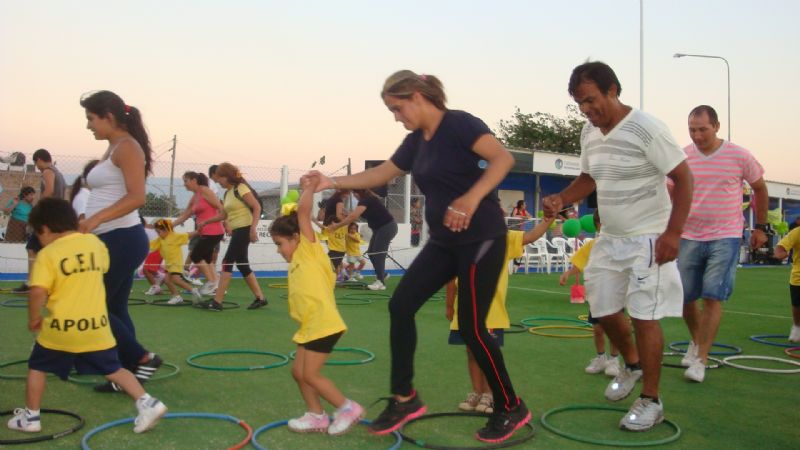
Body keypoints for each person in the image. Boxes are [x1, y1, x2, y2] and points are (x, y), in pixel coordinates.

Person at [303, 70, 528, 443]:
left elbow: (502, 160)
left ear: (419, 96)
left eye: (397, 107)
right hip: (444, 241)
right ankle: (404, 397)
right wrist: (332, 182)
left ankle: (510, 405)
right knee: (401, 304)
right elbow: (383, 172)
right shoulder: (415, 142)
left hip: (481, 237)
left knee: (472, 327)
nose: (395, 116)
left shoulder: (459, 124)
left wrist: (472, 198)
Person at [542, 61, 692, 432]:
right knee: (602, 308)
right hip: (609, 238)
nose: (587, 110)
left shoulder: (647, 128)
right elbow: (589, 178)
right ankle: (633, 364)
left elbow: (683, 178)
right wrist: (561, 198)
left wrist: (673, 233)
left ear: (613, 91)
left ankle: (651, 399)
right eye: (580, 103)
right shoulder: (589, 133)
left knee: (644, 316)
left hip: (649, 238)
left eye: (591, 100)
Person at [6, 198, 167, 435]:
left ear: (46, 229)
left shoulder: (48, 254)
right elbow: (101, 268)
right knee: (115, 369)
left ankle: (30, 417)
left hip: (61, 328)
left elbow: (38, 291)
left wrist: (33, 318)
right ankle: (148, 403)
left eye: (38, 234)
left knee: (37, 366)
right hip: (97, 327)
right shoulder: (94, 243)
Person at [675, 105, 769, 383]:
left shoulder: (739, 155)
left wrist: (761, 228)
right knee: (686, 297)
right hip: (689, 234)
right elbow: (671, 191)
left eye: (702, 129)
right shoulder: (683, 156)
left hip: (725, 234)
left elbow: (760, 188)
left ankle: (701, 360)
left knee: (713, 295)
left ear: (716, 126)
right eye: (692, 129)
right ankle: (696, 342)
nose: (697, 135)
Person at [79, 90, 163, 392]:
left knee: (91, 305)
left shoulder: (127, 147)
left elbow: (136, 196)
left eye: (91, 118)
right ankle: (126, 372)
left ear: (108, 116)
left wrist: (96, 218)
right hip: (111, 238)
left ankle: (142, 358)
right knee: (115, 306)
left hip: (121, 239)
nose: (88, 125)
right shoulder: (114, 146)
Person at [269, 177, 364, 435]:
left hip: (323, 323)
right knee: (298, 372)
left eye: (280, 244)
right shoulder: (297, 261)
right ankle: (316, 415)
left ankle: (347, 408)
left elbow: (302, 211)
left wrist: (308, 188)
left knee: (310, 374)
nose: (279, 250)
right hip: (310, 325)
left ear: (296, 238)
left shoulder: (308, 250)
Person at [446, 216, 554, 415]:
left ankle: (490, 394)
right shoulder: (462, 241)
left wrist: (548, 219)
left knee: (487, 353)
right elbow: (451, 277)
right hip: (465, 310)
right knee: (471, 352)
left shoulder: (503, 238)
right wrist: (449, 306)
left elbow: (530, 236)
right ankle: (476, 392)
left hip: (491, 312)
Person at [558, 210, 620, 377]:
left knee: (616, 329)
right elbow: (580, 262)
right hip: (597, 294)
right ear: (597, 225)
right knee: (598, 328)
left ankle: (614, 360)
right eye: (600, 224)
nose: (602, 228)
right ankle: (601, 358)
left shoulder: (619, 244)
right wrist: (567, 274)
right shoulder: (593, 245)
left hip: (615, 294)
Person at [203, 162, 267, 311]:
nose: (217, 181)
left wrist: (253, 229)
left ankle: (217, 301)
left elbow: (256, 207)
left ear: (226, 176)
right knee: (242, 263)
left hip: (244, 229)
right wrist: (206, 221)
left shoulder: (241, 188)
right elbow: (224, 214)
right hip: (238, 230)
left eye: (219, 178)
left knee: (227, 261)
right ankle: (260, 298)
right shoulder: (228, 193)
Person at [12, 149, 67, 294]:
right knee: (49, 251)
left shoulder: (48, 171)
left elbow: (48, 191)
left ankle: (31, 283)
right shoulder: (59, 174)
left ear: (40, 160)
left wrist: (37, 211)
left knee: (32, 249)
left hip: (47, 217)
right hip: (58, 217)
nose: (37, 167)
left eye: (36, 163)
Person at [328, 189, 398, 291]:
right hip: (379, 229)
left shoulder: (366, 200)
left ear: (358, 193)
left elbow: (353, 216)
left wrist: (336, 226)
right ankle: (382, 275)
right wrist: (348, 215)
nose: (354, 196)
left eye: (354, 194)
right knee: (371, 253)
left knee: (377, 253)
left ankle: (380, 282)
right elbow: (354, 215)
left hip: (386, 227)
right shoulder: (367, 200)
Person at [173, 171, 225, 295]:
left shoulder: (205, 191)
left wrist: (226, 224)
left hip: (214, 231)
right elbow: (184, 215)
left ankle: (212, 283)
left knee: (196, 256)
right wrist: (166, 226)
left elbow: (220, 208)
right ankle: (216, 285)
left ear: (194, 180)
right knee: (207, 260)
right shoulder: (194, 196)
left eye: (186, 181)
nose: (184, 184)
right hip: (204, 232)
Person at [149, 219, 202, 305]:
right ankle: (177, 297)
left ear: (166, 229)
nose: (158, 234)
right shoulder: (160, 239)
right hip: (169, 264)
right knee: (167, 280)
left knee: (175, 280)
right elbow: (150, 245)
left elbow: (187, 235)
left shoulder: (174, 236)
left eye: (159, 232)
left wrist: (198, 231)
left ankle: (193, 290)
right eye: (157, 232)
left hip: (176, 263)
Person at [774, 226, 800, 342]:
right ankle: (797, 326)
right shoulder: (797, 232)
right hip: (798, 277)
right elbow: (781, 246)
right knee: (797, 305)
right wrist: (780, 253)